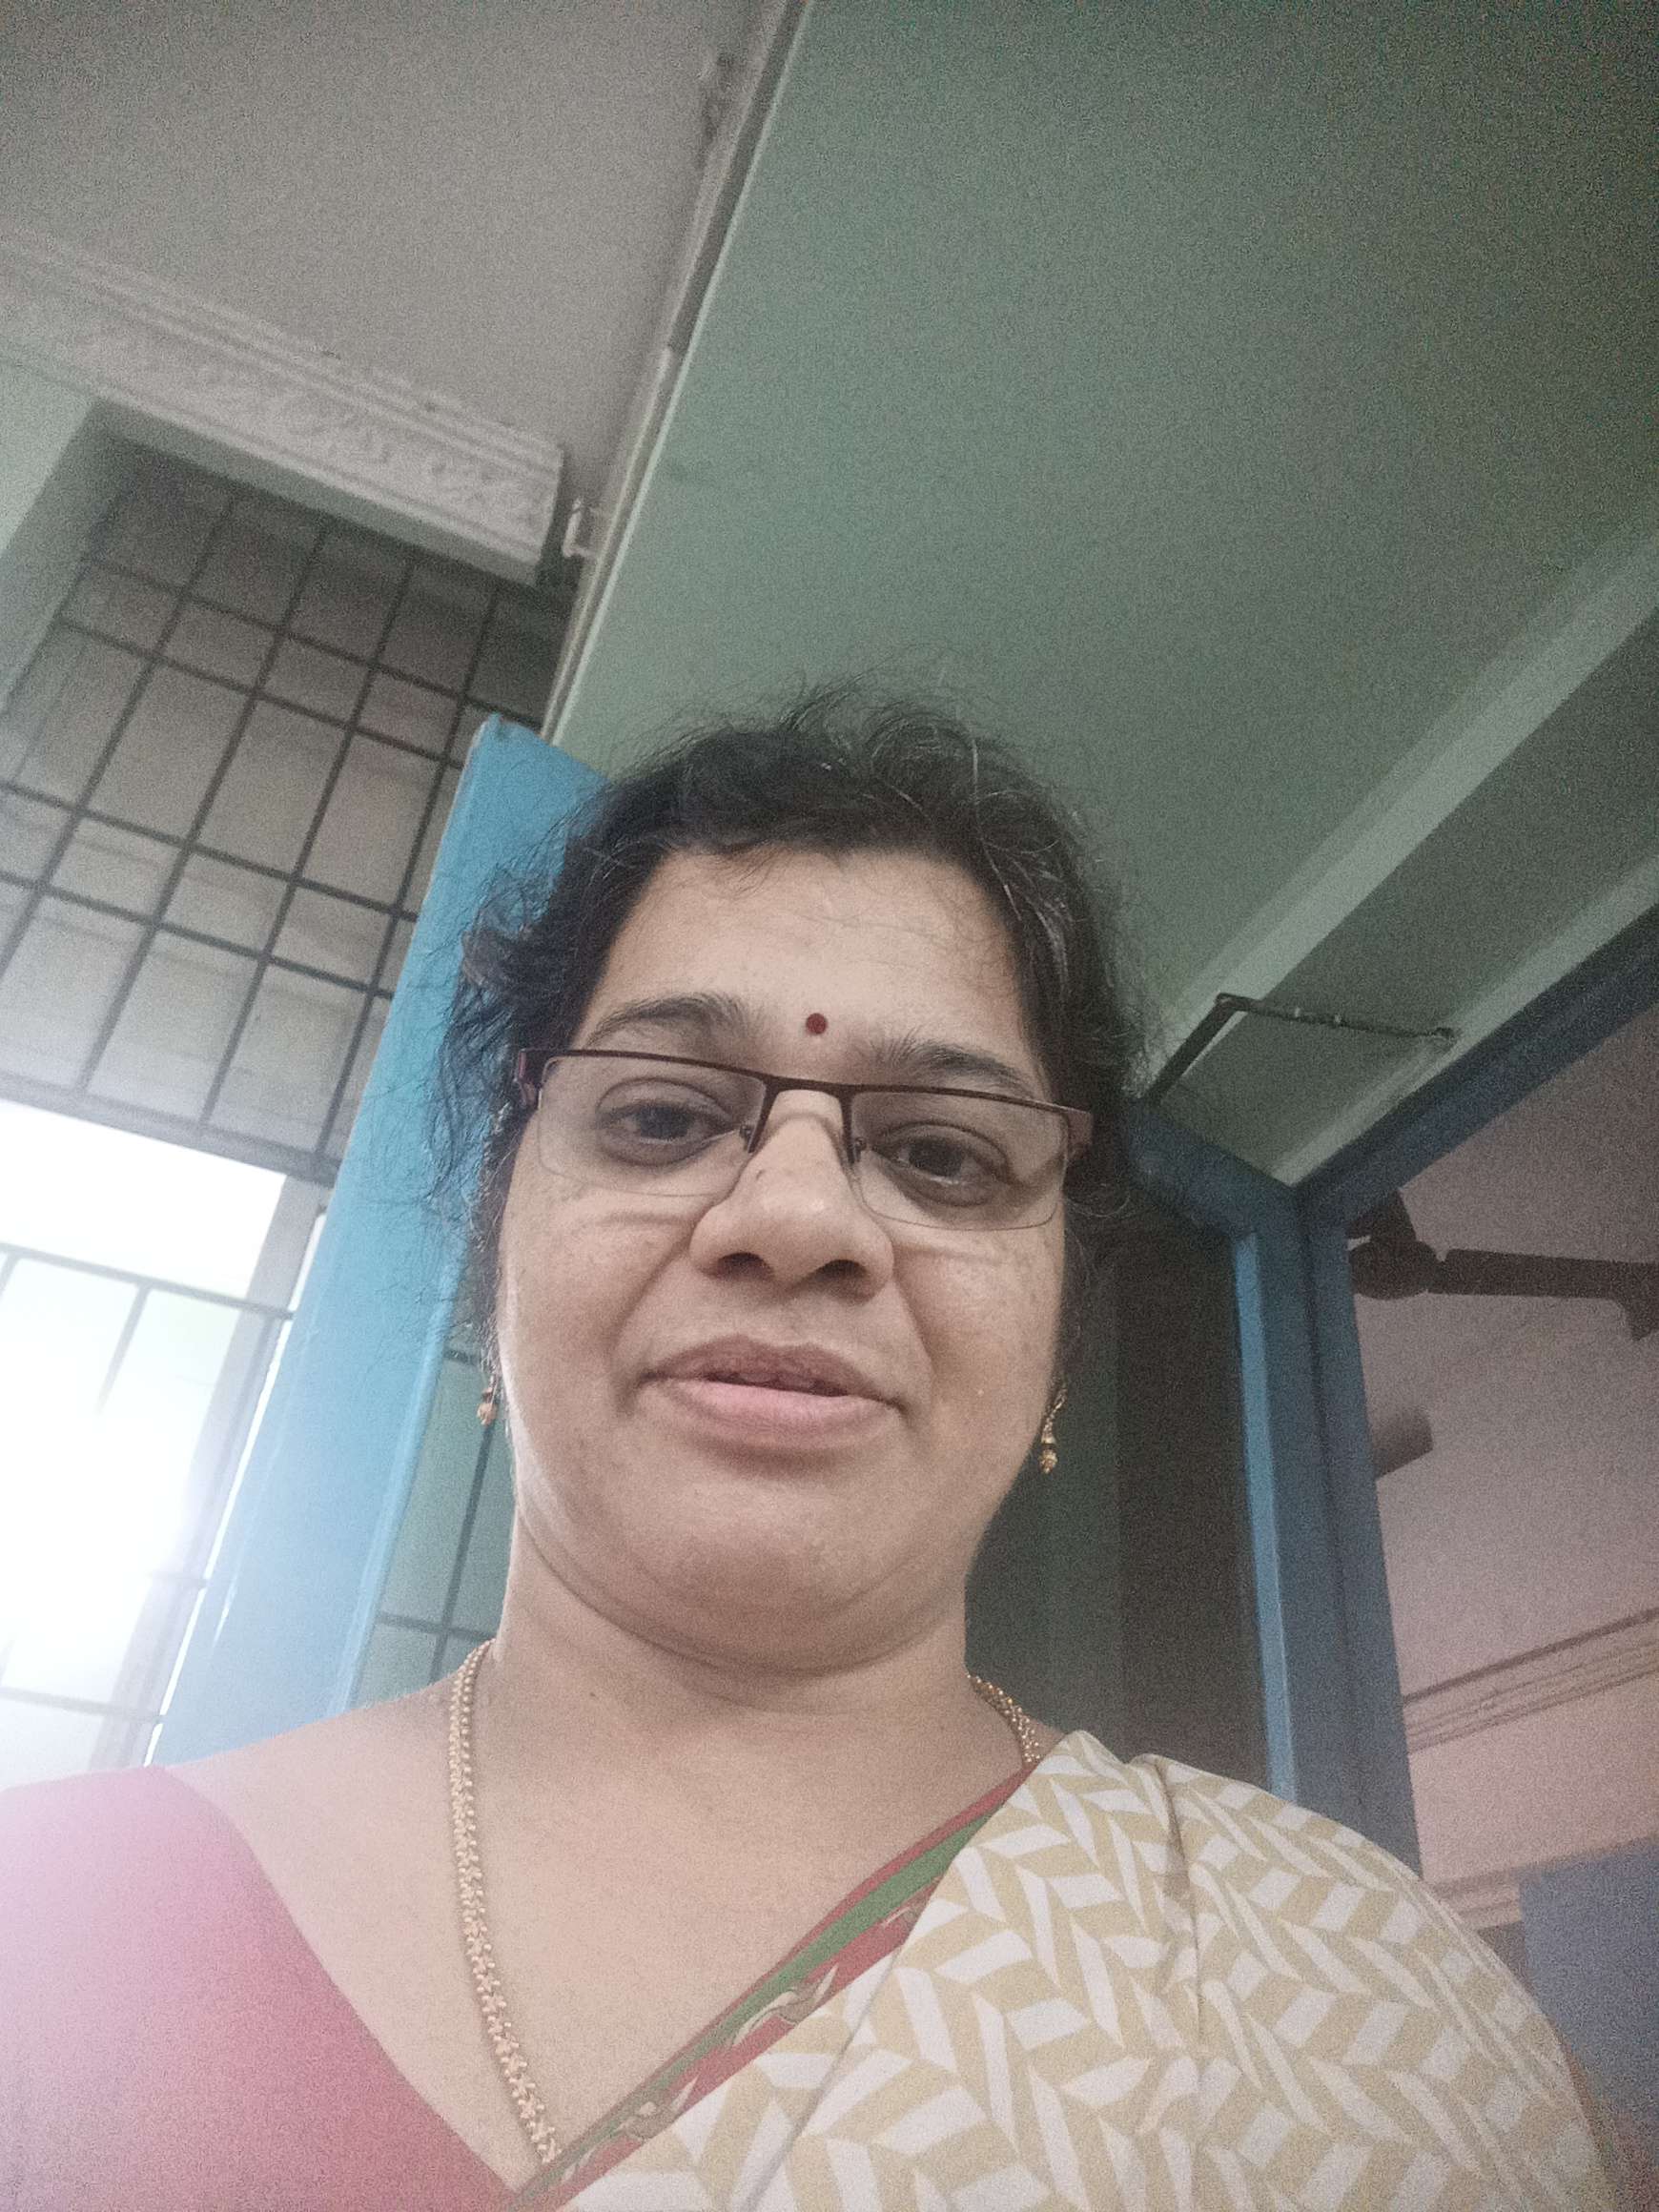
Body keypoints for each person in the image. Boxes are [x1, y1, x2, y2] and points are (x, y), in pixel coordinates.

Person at [0, 694, 1624, 2209]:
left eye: (942, 1154)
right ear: (496, 1256)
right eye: (660, 1117)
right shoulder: (51, 1940)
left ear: (1059, 1340)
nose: (793, 1215)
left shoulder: (1361, 1992)